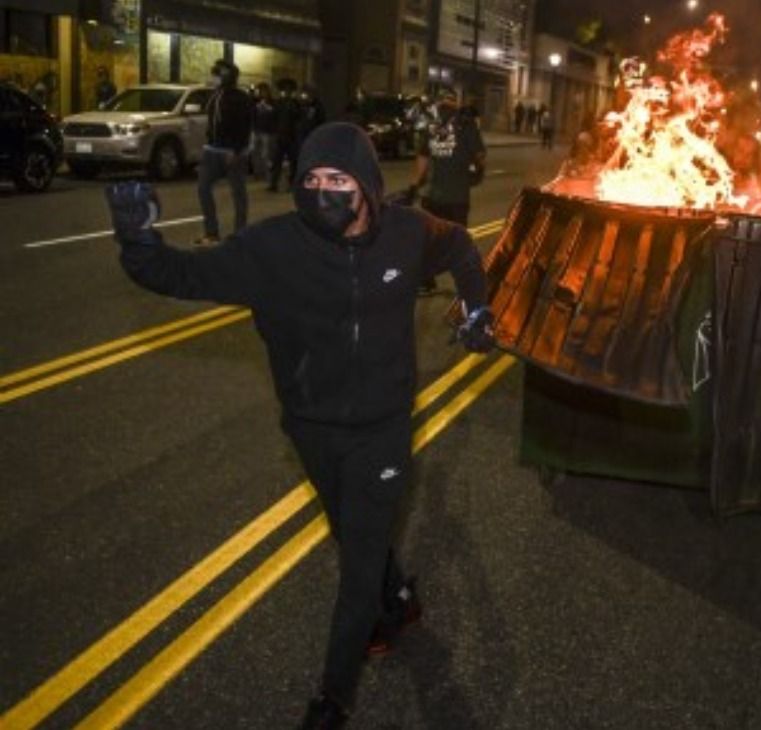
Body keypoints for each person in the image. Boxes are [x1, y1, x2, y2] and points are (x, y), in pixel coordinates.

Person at [103, 122, 495, 730]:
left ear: (365, 185)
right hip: (310, 426)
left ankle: (332, 698)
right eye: (310, 180)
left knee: (358, 562)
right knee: (351, 528)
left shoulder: (407, 232)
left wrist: (478, 304)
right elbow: (180, 275)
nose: (322, 192)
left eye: (337, 180)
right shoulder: (273, 249)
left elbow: (463, 247)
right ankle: (395, 602)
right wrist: (137, 242)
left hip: (383, 426)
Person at [195, 59, 253, 246]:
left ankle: (240, 235)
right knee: (203, 188)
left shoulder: (240, 98)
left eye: (216, 74)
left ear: (226, 77)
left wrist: (236, 150)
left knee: (238, 193)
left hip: (232, 153)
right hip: (212, 150)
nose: (213, 78)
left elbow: (245, 126)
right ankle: (211, 233)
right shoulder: (215, 95)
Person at [409, 90, 486, 227]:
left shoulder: (431, 124)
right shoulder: (466, 123)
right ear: (455, 102)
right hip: (457, 199)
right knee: (455, 242)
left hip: (432, 197)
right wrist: (478, 171)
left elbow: (423, 157)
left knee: (433, 241)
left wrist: (414, 185)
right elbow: (479, 154)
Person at [268, 79, 302, 192]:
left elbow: (299, 119)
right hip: (280, 136)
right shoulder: (278, 103)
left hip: (291, 137)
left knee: (293, 162)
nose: (286, 92)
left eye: (288, 90)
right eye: (284, 89)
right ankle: (273, 183)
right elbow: (273, 118)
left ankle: (292, 184)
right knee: (276, 162)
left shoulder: (296, 103)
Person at [250, 82, 277, 181]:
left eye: (264, 91)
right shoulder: (255, 102)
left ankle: (266, 173)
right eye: (260, 91)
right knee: (254, 153)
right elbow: (251, 113)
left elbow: (275, 115)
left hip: (267, 132)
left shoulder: (272, 103)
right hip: (256, 130)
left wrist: (268, 108)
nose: (262, 93)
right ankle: (257, 173)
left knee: (265, 154)